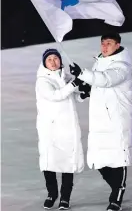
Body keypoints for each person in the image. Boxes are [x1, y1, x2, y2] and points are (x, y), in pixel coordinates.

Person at [70, 32, 132, 211]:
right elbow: (98, 84)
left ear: (117, 45)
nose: (105, 47)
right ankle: (116, 187)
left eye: (109, 43)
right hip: (100, 120)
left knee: (118, 157)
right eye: (102, 43)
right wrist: (86, 90)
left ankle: (117, 196)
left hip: (117, 120)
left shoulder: (122, 66)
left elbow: (106, 80)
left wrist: (83, 73)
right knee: (99, 160)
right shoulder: (99, 63)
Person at [35, 48, 88, 210]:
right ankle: (52, 194)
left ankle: (65, 198)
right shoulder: (43, 81)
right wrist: (75, 83)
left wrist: (83, 95)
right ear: (44, 63)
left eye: (56, 58)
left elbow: (70, 97)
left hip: (67, 128)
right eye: (49, 59)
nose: (53, 61)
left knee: (68, 162)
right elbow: (56, 96)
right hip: (50, 128)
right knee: (49, 161)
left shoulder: (64, 78)